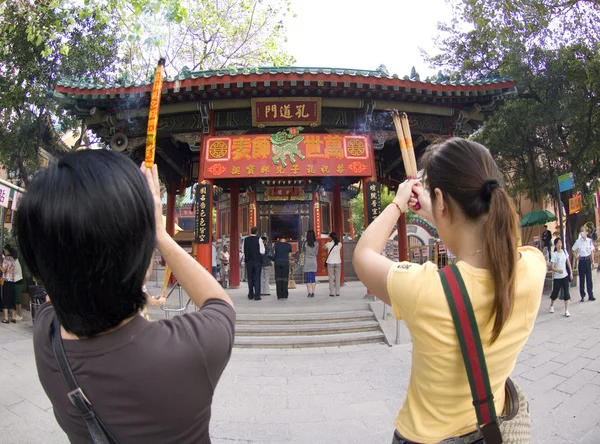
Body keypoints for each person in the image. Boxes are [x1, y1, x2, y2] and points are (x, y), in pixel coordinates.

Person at [15, 150, 235, 444]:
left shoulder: (45, 334)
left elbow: (60, 278)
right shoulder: (190, 350)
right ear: (144, 266)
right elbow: (220, 303)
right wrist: (160, 232)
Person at [353, 138, 546, 443]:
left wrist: (398, 203)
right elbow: (492, 247)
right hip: (490, 428)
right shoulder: (533, 268)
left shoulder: (426, 289)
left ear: (441, 199)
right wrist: (438, 211)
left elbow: (363, 256)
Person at [549, 237, 573, 317]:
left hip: (565, 275)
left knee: (566, 292)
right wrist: (557, 270)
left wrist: (571, 272)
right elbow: (552, 267)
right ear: (555, 245)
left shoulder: (565, 252)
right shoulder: (554, 255)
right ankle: (551, 305)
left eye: (561, 243)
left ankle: (566, 310)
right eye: (558, 243)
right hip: (557, 277)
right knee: (555, 292)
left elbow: (568, 262)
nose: (560, 245)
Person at [573, 226, 596, 302]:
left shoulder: (589, 241)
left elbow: (592, 251)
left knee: (589, 279)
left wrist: (592, 261)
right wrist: (576, 257)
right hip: (581, 261)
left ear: (586, 232)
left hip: (587, 260)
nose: (583, 232)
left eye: (584, 231)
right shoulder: (578, 241)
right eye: (581, 231)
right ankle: (582, 295)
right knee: (582, 279)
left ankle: (591, 295)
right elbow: (573, 250)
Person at [243, 226, 265, 300]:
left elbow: (243, 251)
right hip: (257, 261)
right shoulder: (259, 239)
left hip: (249, 261)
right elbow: (262, 251)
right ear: (257, 232)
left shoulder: (245, 240)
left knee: (250, 278)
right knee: (257, 278)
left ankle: (250, 294)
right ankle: (257, 296)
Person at [0, 245, 18, 324]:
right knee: (12, 299)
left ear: (6, 250)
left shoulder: (6, 259)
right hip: (12, 281)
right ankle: (13, 318)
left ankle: (6, 319)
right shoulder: (13, 259)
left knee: (5, 300)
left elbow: (4, 270)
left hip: (6, 281)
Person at [323, 232, 342, 297]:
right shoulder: (339, 244)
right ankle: (338, 292)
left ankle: (332, 292)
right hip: (338, 262)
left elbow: (323, 247)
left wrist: (328, 241)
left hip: (330, 262)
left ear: (331, 237)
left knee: (331, 278)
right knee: (337, 277)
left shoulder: (328, 244)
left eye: (329, 237)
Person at [303, 230, 319, 297]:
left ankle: (309, 293)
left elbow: (304, 251)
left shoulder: (305, 244)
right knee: (313, 278)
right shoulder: (316, 243)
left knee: (308, 278)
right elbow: (316, 253)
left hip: (307, 261)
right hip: (313, 261)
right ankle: (313, 292)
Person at [13, 255, 23, 321]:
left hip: (17, 281)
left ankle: (19, 315)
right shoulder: (17, 261)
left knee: (17, 299)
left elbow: (14, 271)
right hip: (18, 281)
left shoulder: (15, 262)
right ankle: (19, 315)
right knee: (17, 299)